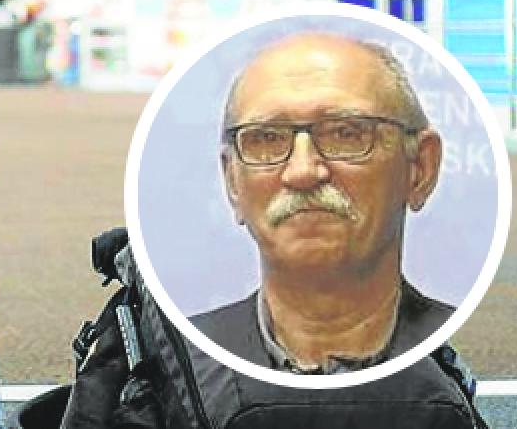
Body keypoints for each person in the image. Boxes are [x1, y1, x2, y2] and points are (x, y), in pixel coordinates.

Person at [191, 32, 451, 374]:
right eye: (267, 138)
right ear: (233, 182)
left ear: (420, 169)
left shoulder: (451, 357)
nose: (302, 172)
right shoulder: (179, 363)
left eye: (345, 133)